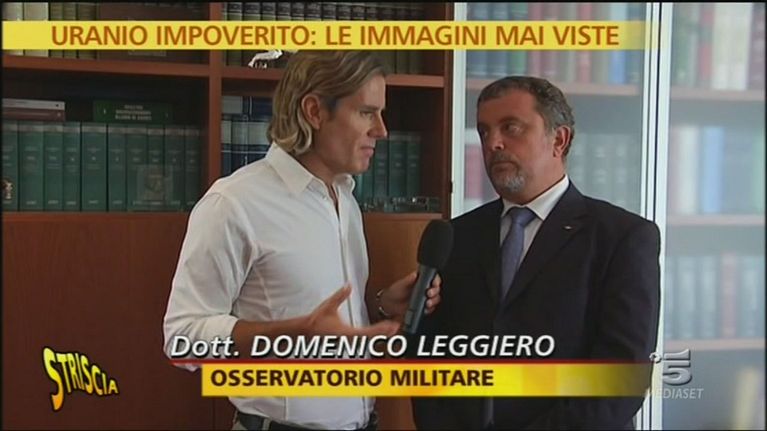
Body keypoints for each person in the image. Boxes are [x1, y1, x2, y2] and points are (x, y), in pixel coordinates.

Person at [163, 50, 441, 431]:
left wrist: (379, 305)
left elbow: (325, 317)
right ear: (314, 111)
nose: (381, 130)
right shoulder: (234, 203)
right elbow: (182, 338)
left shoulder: (345, 199)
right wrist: (292, 334)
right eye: (366, 112)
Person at [411, 76, 660, 430]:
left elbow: (620, 381)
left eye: (510, 128)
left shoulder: (622, 237)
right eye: (484, 131)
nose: (493, 143)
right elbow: (429, 361)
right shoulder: (457, 236)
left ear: (559, 140)